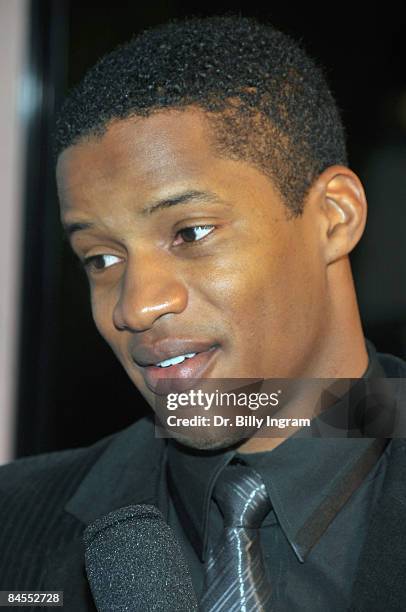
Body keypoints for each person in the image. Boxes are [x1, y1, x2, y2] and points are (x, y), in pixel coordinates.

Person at [0, 14, 405, 612]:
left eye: (190, 232)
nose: (135, 306)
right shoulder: (14, 527)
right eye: (101, 258)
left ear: (334, 218)